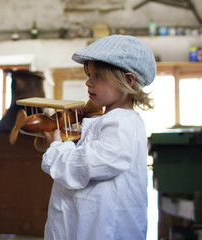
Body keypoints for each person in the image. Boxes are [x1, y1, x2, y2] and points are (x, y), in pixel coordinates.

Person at [41, 34, 156, 240]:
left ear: (128, 81)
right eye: (89, 74)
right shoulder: (111, 119)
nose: (88, 82)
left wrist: (58, 148)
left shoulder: (122, 123)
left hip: (104, 230)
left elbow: (88, 165)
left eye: (98, 76)